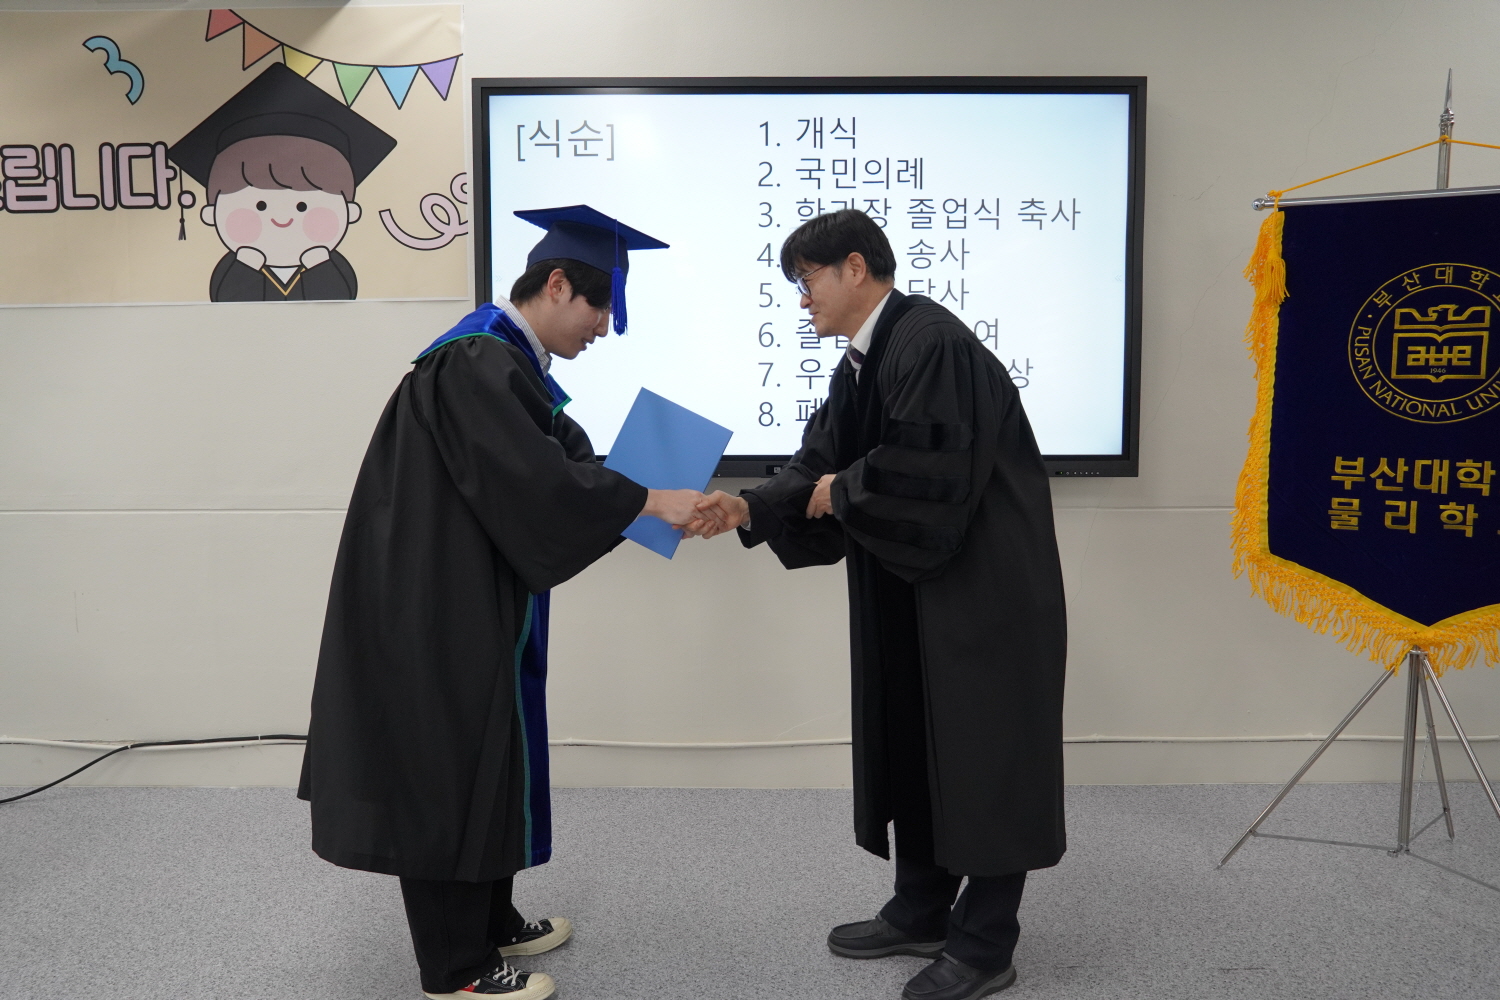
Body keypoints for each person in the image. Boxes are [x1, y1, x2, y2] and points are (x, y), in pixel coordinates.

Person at [297, 205, 696, 1000]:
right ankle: (457, 969)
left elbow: (562, 465)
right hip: (434, 608)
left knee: (492, 752)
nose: (605, 328)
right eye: (601, 307)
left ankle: (490, 921)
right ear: (557, 284)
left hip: (472, 595)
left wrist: (651, 492)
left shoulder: (508, 363)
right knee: (447, 767)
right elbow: (537, 483)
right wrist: (649, 500)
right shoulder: (474, 360)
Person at [687, 209, 1067, 1000]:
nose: (802, 300)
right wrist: (749, 507)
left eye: (807, 280)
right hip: (916, 586)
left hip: (982, 593)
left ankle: (986, 944)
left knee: (985, 760)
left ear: (855, 267)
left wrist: (841, 491)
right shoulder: (864, 360)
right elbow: (820, 461)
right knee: (916, 745)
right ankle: (923, 908)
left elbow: (923, 475)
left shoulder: (932, 343)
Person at [168, 63, 396, 301]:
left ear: (350, 212)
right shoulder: (234, 267)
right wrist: (246, 266)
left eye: (302, 206)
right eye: (261, 206)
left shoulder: (331, 265)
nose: (282, 218)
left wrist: (319, 266)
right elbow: (227, 300)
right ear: (212, 214)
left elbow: (339, 299)